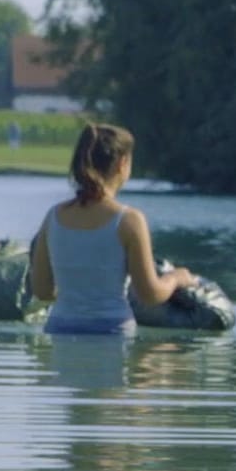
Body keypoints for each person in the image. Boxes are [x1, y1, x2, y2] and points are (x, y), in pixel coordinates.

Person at [29, 123, 196, 335]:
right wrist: (176, 278)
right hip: (111, 332)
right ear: (122, 163)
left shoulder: (53, 217)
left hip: (60, 329)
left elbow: (42, 291)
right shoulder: (129, 220)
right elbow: (149, 294)